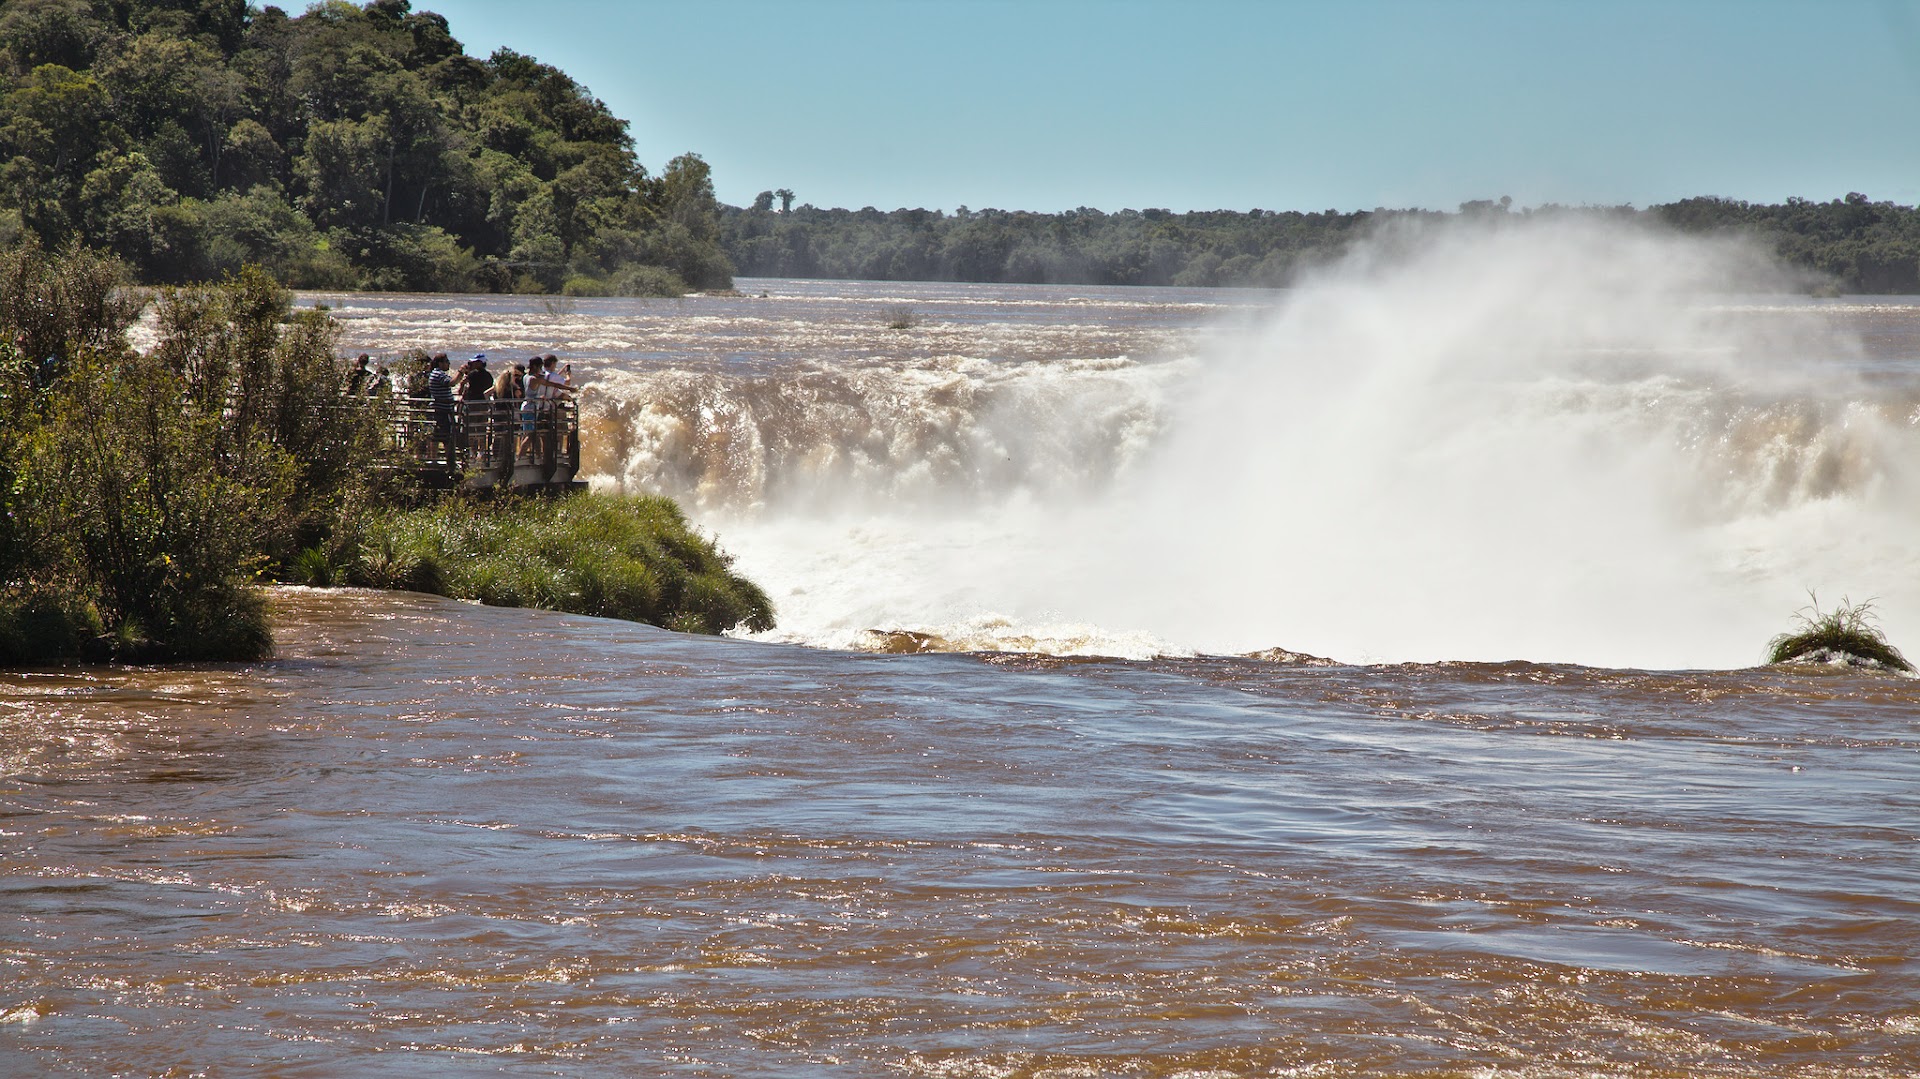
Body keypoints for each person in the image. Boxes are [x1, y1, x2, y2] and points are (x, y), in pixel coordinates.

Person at [426, 353, 456, 467]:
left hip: (442, 410)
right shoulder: (438, 374)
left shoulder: (438, 373)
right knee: (444, 437)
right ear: (440, 363)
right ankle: (448, 462)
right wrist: (461, 373)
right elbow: (452, 383)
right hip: (441, 411)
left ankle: (436, 460)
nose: (449, 364)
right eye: (447, 361)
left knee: (439, 435)